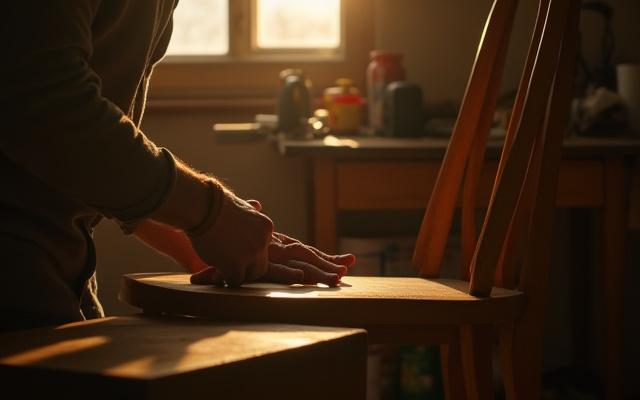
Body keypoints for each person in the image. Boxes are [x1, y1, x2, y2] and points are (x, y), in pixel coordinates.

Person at [0, 1, 355, 332]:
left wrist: (203, 240)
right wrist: (208, 211)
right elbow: (41, 101)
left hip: (56, 269)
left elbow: (91, 152)